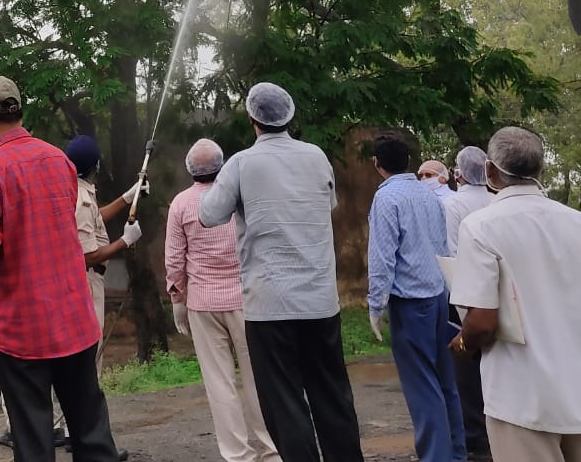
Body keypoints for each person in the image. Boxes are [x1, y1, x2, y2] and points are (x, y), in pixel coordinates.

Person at [200, 82, 363, 462]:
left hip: (269, 305)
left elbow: (209, 215)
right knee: (332, 395)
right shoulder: (317, 156)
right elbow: (331, 203)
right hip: (320, 302)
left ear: (252, 118)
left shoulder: (241, 163)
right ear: (289, 117)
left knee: (284, 401)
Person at [0, 76, 120, 462]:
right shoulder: (60, 160)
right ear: (19, 112)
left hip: (23, 333)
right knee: (92, 433)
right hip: (74, 323)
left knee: (33, 441)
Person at [451, 127, 581, 462]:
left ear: (490, 171)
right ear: (541, 170)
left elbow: (482, 322)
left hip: (521, 401)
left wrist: (461, 344)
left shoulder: (480, 227)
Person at [165, 139, 278, 462]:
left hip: (202, 303)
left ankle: (237, 454)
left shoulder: (181, 204)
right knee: (258, 376)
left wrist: (178, 299)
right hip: (247, 300)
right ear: (223, 165)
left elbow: (174, 258)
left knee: (219, 383)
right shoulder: (239, 196)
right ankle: (272, 450)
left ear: (190, 170)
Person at [367, 132, 466, 462]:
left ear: (376, 164)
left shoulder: (386, 199)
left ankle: (437, 457)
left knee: (422, 387)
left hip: (410, 302)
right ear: (408, 162)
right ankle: (456, 453)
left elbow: (383, 256)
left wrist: (375, 303)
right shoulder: (430, 197)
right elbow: (442, 246)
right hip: (439, 296)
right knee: (445, 382)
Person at [66, 134, 144, 362]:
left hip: (89, 281)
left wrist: (127, 198)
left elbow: (94, 220)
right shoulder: (81, 199)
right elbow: (87, 256)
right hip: (87, 282)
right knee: (91, 355)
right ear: (95, 165)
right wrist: (124, 241)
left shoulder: (78, 190)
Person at [441, 146, 494, 460]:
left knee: (466, 364)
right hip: (499, 293)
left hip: (465, 292)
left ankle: (475, 437)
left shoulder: (452, 204)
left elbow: (450, 251)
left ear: (457, 172)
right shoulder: (493, 201)